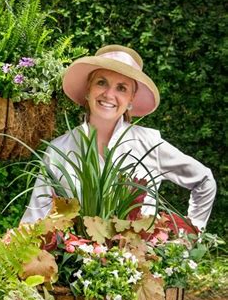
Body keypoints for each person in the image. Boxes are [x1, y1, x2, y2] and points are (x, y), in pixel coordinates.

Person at [21, 44, 216, 229]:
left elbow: (204, 180)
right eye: (101, 82)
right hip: (75, 262)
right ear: (88, 90)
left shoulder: (148, 144)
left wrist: (189, 236)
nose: (109, 94)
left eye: (121, 88)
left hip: (140, 261)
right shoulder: (59, 149)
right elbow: (35, 217)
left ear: (131, 99)